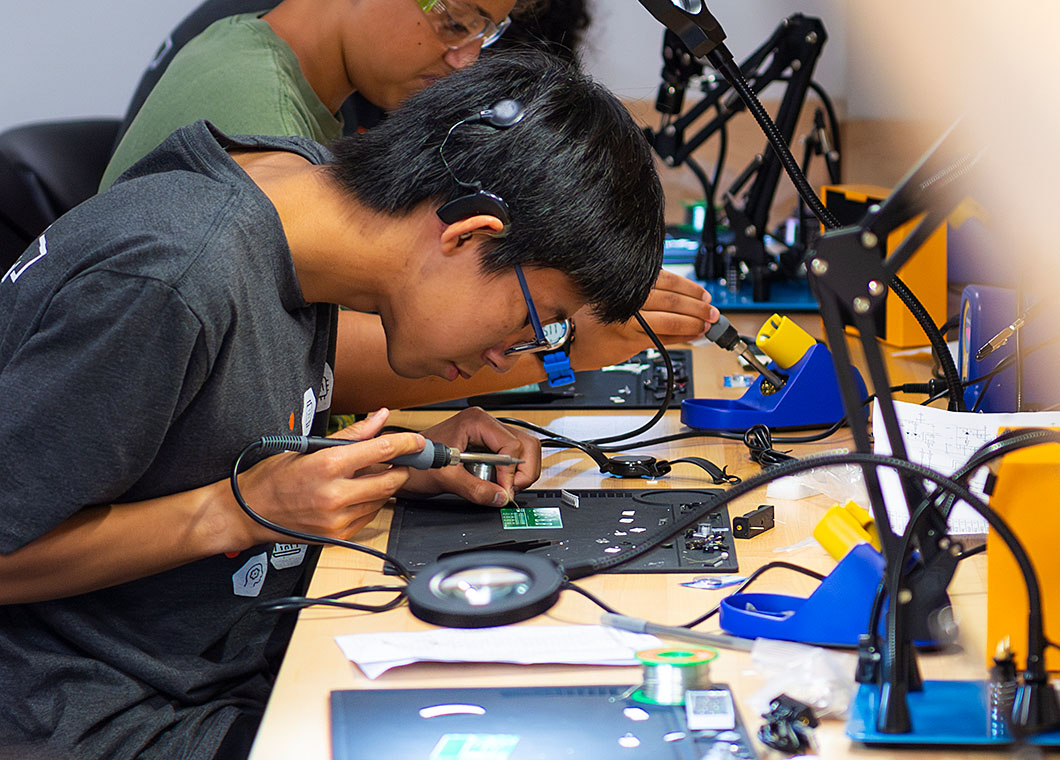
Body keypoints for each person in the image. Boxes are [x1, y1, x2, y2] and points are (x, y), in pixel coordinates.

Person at [0, 51, 664, 758]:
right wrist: (237, 510)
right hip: (88, 715)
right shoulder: (172, 279)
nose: (515, 353)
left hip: (219, 667)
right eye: (538, 320)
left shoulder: (298, 206)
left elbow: (196, 437)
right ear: (470, 236)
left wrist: (391, 469)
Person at [100, 0, 717, 413]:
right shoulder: (252, 110)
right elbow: (307, 362)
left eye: (486, 34)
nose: (466, 59)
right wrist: (563, 348)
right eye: (455, 21)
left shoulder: (288, 80)